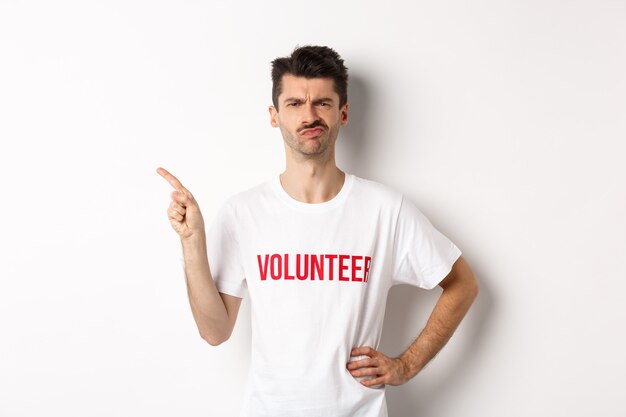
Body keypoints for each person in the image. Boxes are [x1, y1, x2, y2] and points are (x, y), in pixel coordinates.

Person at [157, 45, 479, 417]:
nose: (309, 116)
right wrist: (192, 243)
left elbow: (462, 284)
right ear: (274, 116)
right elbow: (215, 332)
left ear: (343, 112)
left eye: (322, 103)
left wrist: (406, 365)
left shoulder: (385, 210)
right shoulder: (243, 212)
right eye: (294, 104)